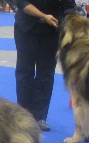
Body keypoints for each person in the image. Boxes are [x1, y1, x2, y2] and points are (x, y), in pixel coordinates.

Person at [14, 0, 76, 131]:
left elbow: (69, 5)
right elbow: (23, 4)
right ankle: (23, 115)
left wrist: (70, 20)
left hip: (52, 30)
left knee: (46, 74)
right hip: (26, 28)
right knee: (25, 71)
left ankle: (40, 117)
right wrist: (44, 16)